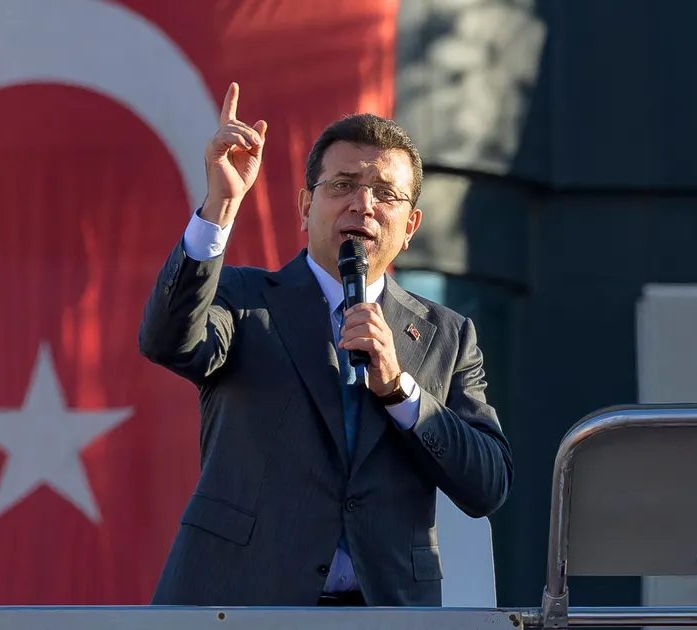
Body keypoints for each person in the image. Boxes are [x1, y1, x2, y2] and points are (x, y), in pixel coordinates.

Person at [138, 82, 513, 607]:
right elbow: (167, 341)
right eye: (342, 185)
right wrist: (219, 206)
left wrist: (401, 392)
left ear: (410, 226)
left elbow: (488, 485)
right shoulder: (243, 298)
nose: (363, 204)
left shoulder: (447, 335)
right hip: (243, 606)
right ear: (305, 206)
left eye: (385, 193)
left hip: (385, 613)